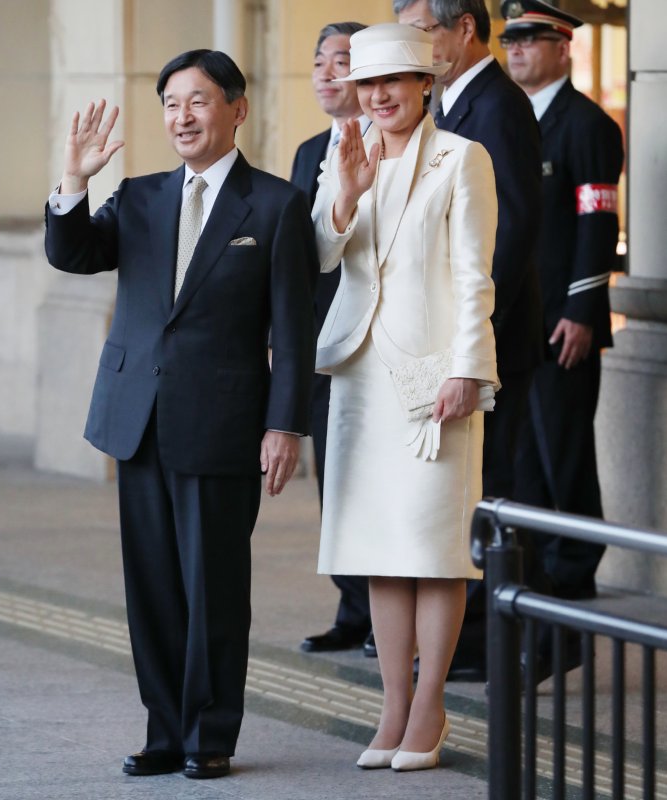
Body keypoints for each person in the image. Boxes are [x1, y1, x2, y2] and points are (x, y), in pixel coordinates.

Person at [44, 50, 317, 780]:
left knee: (214, 588)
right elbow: (72, 254)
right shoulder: (137, 196)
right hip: (136, 421)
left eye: (197, 101)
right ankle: (164, 730)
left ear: (236, 108)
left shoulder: (276, 205)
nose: (182, 116)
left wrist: (285, 424)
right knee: (154, 588)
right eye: (170, 103)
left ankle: (209, 734)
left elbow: (293, 330)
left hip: (223, 423)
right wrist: (74, 179)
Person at [312, 23, 498, 771]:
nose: (379, 95)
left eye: (395, 81)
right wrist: (348, 193)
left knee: (433, 548)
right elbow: (323, 254)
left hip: (431, 380)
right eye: (367, 83)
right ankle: (391, 704)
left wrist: (467, 369)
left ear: (426, 83)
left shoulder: (462, 157)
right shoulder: (343, 152)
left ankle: (429, 706)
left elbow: (474, 273)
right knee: (378, 549)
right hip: (361, 375)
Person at [394, 0, 543, 681]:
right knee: (470, 495)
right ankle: (477, 637)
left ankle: (519, 641)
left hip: (489, 344)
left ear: (463, 28)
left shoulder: (497, 106)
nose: (418, 45)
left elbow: (507, 234)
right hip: (458, 340)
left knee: (499, 490)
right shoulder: (449, 102)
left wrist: (470, 338)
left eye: (424, 29)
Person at [501, 1, 623, 615]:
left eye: (529, 38)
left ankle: (574, 572)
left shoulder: (587, 124)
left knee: (565, 451)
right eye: (510, 38)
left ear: (563, 47)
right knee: (524, 458)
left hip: (565, 327)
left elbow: (597, 224)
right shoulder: (516, 121)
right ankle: (540, 574)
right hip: (522, 326)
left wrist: (581, 310)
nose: (516, 48)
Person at [291, 21, 375, 658]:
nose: (325, 72)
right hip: (320, 343)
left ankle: (389, 612)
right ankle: (353, 607)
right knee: (336, 479)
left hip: (376, 344)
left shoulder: (393, 145)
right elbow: (293, 257)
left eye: (341, 60)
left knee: (379, 481)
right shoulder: (305, 150)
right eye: (319, 60)